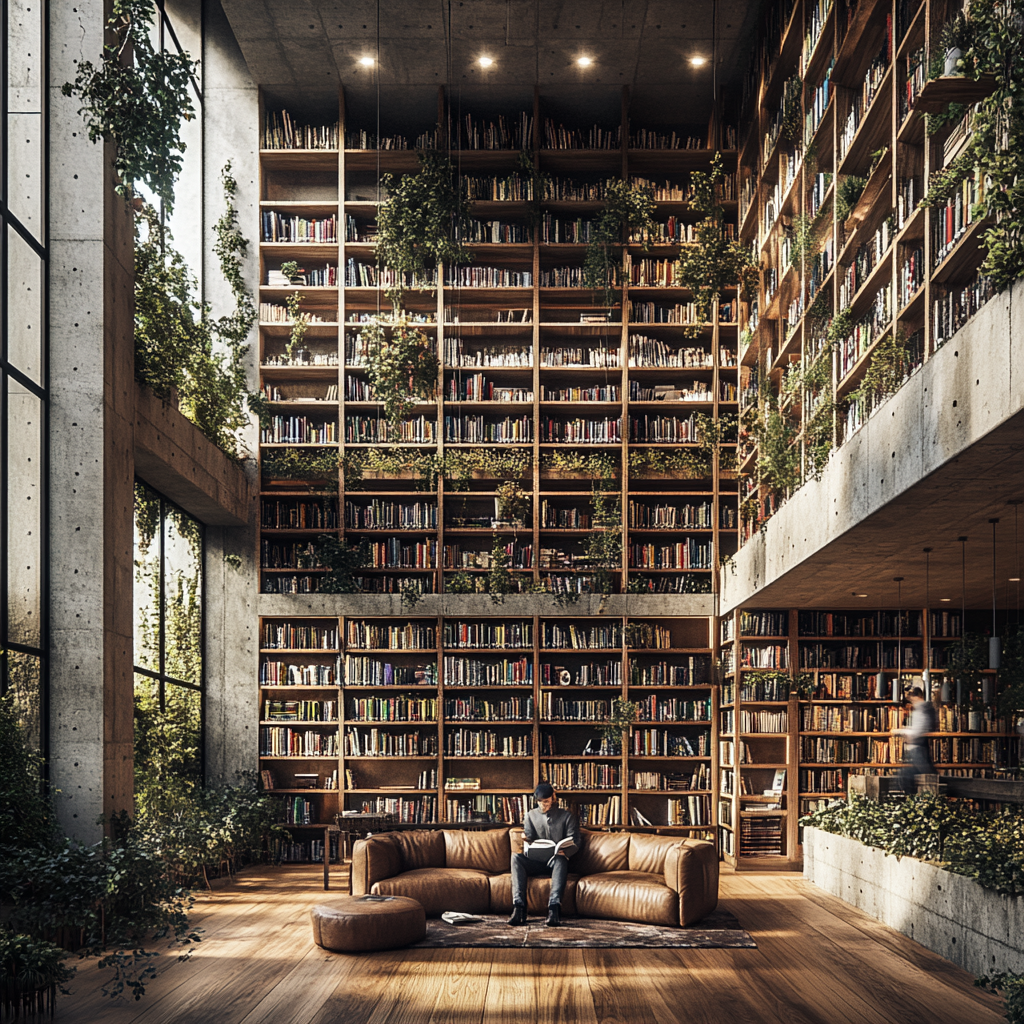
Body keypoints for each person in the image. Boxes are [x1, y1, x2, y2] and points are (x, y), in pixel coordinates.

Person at [508, 783, 582, 927]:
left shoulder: (567, 816)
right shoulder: (530, 815)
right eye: (540, 802)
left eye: (546, 801)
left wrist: (566, 851)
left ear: (553, 798)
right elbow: (530, 837)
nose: (543, 805)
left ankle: (554, 909)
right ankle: (519, 908)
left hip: (556, 861)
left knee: (561, 860)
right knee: (516, 857)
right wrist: (525, 839)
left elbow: (576, 841)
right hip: (536, 860)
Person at [897, 686, 937, 792]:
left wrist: (901, 732)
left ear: (918, 696)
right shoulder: (922, 709)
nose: (911, 701)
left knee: (927, 775)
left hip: (918, 747)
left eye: (912, 697)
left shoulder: (923, 709)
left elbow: (918, 730)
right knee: (909, 775)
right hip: (917, 747)